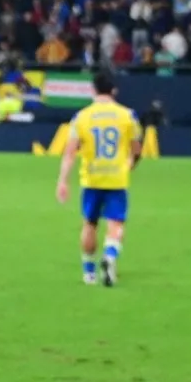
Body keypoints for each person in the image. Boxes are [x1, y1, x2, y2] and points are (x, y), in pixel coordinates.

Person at [55, 71, 142, 287]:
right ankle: (110, 255)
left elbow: (69, 153)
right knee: (116, 223)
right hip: (117, 179)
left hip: (92, 179)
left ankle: (89, 272)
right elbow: (137, 150)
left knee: (90, 224)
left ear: (93, 90)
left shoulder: (81, 117)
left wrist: (63, 180)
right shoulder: (128, 116)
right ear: (114, 91)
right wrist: (130, 165)